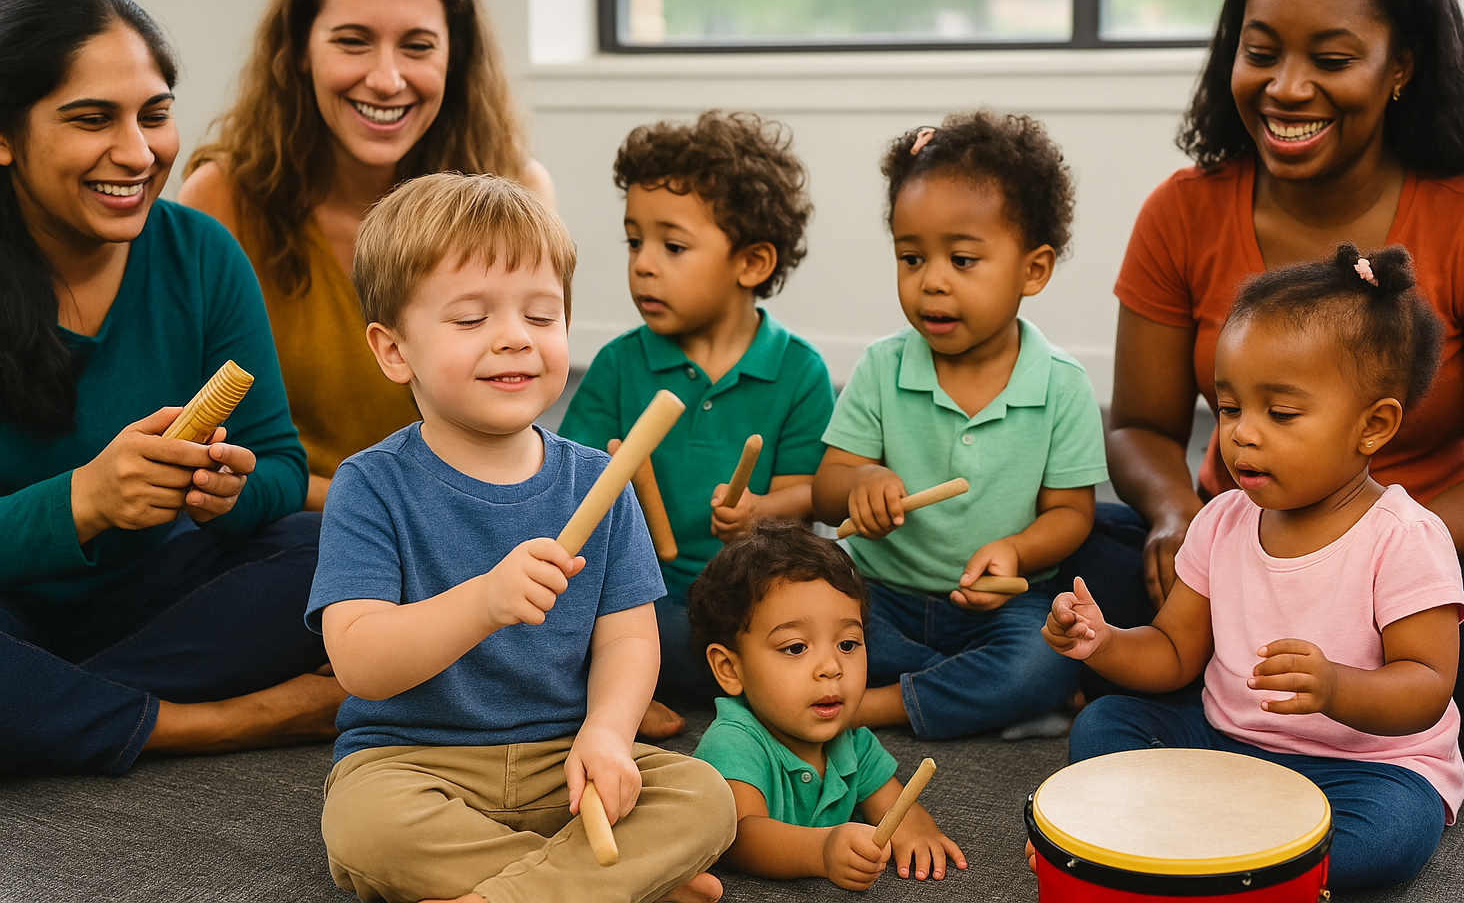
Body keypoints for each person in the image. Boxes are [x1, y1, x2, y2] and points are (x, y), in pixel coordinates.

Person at [1085, 0, 1464, 754]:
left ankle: (1279, 698)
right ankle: (1373, 706)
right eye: (1261, 54)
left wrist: (1370, 561)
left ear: (1400, 66)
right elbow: (1142, 425)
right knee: (1081, 556)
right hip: (1237, 544)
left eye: (1330, 60)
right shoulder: (1181, 211)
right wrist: (1176, 515)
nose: (1287, 88)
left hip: (1426, 554)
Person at [309, 172, 733, 903]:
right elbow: (360, 664)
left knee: (706, 796)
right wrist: (483, 602)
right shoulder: (369, 485)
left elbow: (629, 640)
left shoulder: (600, 482)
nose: (514, 339)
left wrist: (606, 731)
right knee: (366, 829)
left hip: (562, 760)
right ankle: (597, 884)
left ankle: (516, 891)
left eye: (542, 316)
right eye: (471, 320)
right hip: (414, 760)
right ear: (393, 350)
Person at [0, 0, 339, 775]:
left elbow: (281, 466)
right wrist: (84, 500)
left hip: (161, 595)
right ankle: (214, 721)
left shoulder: (199, 253)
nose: (139, 151)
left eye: (154, 114)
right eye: (92, 120)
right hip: (14, 603)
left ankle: (57, 712)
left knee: (338, 550)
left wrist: (226, 491)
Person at [1044, 245, 1464, 891]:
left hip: (1364, 766)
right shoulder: (1221, 521)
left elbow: (1428, 684)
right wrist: (1102, 643)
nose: (1242, 434)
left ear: (1373, 426)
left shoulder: (1405, 538)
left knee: (1392, 832)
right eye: (1230, 408)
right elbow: (1172, 652)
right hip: (1230, 748)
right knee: (1103, 726)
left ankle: (1199, 854)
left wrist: (1334, 687)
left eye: (1282, 413)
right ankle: (1244, 861)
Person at [181, 0, 556, 512]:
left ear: (454, 56)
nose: (386, 79)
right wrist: (378, 512)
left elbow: (525, 420)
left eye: (417, 46)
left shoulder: (520, 190)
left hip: (473, 522)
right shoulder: (221, 199)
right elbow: (207, 450)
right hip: (290, 530)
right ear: (299, 48)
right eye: (353, 42)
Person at [812, 111, 1107, 741]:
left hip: (998, 608)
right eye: (911, 257)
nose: (933, 281)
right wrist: (860, 480)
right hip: (877, 594)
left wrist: (1017, 550)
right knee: (801, 615)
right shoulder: (883, 365)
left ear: (1034, 270)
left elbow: (1072, 514)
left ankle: (876, 704)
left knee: (1042, 658)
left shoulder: (1061, 384)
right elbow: (827, 484)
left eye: (964, 259)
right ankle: (956, 687)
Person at [559, 110, 836, 738]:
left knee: (826, 619)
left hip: (747, 598)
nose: (644, 265)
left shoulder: (798, 370)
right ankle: (635, 686)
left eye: (672, 246)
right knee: (555, 608)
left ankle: (621, 688)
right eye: (635, 242)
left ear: (753, 262)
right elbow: (565, 490)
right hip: (639, 596)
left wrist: (762, 511)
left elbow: (812, 495)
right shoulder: (619, 364)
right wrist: (610, 484)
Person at [688, 519, 965, 890]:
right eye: (796, 648)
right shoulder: (733, 741)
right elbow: (741, 838)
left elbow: (892, 803)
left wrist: (914, 825)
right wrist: (822, 851)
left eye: (847, 644)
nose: (832, 668)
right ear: (730, 668)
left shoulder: (851, 742)